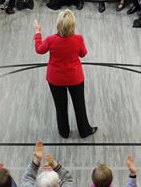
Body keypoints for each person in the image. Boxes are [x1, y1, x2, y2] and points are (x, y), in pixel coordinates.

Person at [33, 10, 97, 139]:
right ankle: (84, 130)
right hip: (75, 78)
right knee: (80, 106)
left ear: (59, 24)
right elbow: (83, 54)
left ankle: (64, 132)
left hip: (55, 79)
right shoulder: (78, 38)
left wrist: (38, 33)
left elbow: (39, 49)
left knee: (60, 107)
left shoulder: (51, 40)